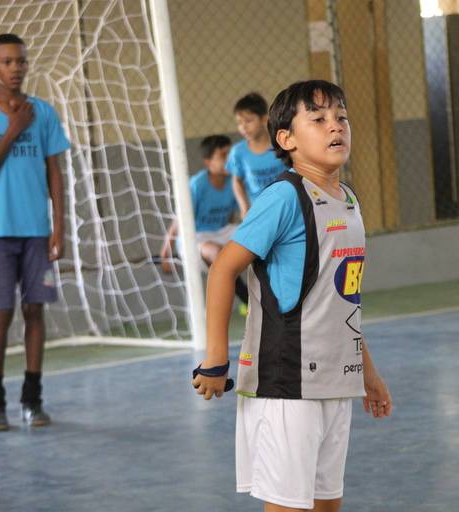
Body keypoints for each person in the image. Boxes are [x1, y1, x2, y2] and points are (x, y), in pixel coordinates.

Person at [192, 80, 392, 512]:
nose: (335, 126)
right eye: (318, 119)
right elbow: (223, 269)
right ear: (286, 140)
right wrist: (215, 359)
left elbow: (341, 301)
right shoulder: (284, 196)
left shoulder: (347, 200)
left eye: (341, 117)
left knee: (327, 507)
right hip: (287, 384)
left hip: (335, 382)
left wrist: (368, 373)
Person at [0, 33, 70, 430]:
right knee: (2, 312)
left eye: (20, 61)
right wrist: (13, 129)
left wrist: (59, 227)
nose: (15, 68)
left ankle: (32, 399)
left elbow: (54, 173)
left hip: (37, 232)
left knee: (35, 310)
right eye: (6, 62)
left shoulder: (44, 112)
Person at [160, 134, 248, 308]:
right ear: (208, 162)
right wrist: (165, 254)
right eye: (223, 155)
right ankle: (247, 301)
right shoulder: (197, 184)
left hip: (221, 231)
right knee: (216, 252)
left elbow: (230, 217)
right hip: (195, 237)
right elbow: (179, 221)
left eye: (230, 154)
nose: (229, 159)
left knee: (257, 237)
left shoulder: (234, 181)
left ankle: (267, 295)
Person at [227, 92, 288, 217]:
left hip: (287, 206)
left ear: (264, 119)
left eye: (248, 121)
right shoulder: (238, 152)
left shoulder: (281, 143)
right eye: (239, 122)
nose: (243, 127)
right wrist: (244, 207)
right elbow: (236, 181)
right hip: (259, 211)